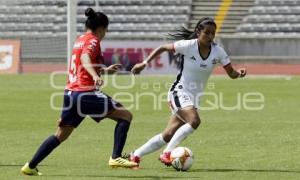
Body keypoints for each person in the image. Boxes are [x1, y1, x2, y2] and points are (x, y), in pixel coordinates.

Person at [21, 8, 138, 176]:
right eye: (105, 30)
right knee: (126, 116)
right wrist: (95, 76)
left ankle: (30, 166)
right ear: (100, 29)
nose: (105, 34)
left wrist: (103, 71)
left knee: (61, 135)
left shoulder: (80, 39)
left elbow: (82, 64)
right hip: (86, 93)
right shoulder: (93, 41)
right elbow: (84, 59)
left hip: (70, 94)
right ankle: (116, 157)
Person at [129, 17, 247, 167]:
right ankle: (167, 153)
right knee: (195, 121)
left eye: (213, 33)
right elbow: (163, 48)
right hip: (179, 91)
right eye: (207, 33)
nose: (210, 36)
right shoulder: (188, 45)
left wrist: (239, 73)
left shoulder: (218, 52)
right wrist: (144, 63)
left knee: (168, 135)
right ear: (198, 32)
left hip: (194, 98)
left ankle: (135, 156)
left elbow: (231, 73)